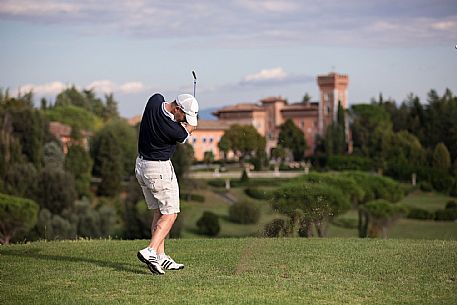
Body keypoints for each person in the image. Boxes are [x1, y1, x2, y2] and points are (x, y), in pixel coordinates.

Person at [135, 93, 198, 275]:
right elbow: (186, 132)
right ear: (178, 109)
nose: (185, 120)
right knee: (170, 214)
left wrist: (183, 118)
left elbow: (164, 108)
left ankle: (160, 257)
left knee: (159, 212)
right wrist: (190, 126)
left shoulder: (154, 100)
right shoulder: (174, 130)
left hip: (142, 165)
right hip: (159, 170)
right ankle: (151, 251)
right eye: (184, 116)